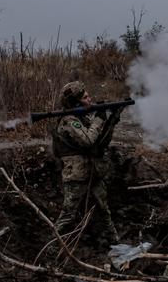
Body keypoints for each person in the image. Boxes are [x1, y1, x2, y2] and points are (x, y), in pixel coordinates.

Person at [51, 81, 122, 244]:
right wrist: (98, 119)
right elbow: (89, 140)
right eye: (85, 97)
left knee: (104, 210)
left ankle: (115, 242)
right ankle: (52, 249)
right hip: (76, 175)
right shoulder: (69, 120)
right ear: (76, 102)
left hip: (92, 171)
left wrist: (111, 118)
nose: (90, 99)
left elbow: (100, 142)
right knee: (68, 215)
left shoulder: (81, 118)